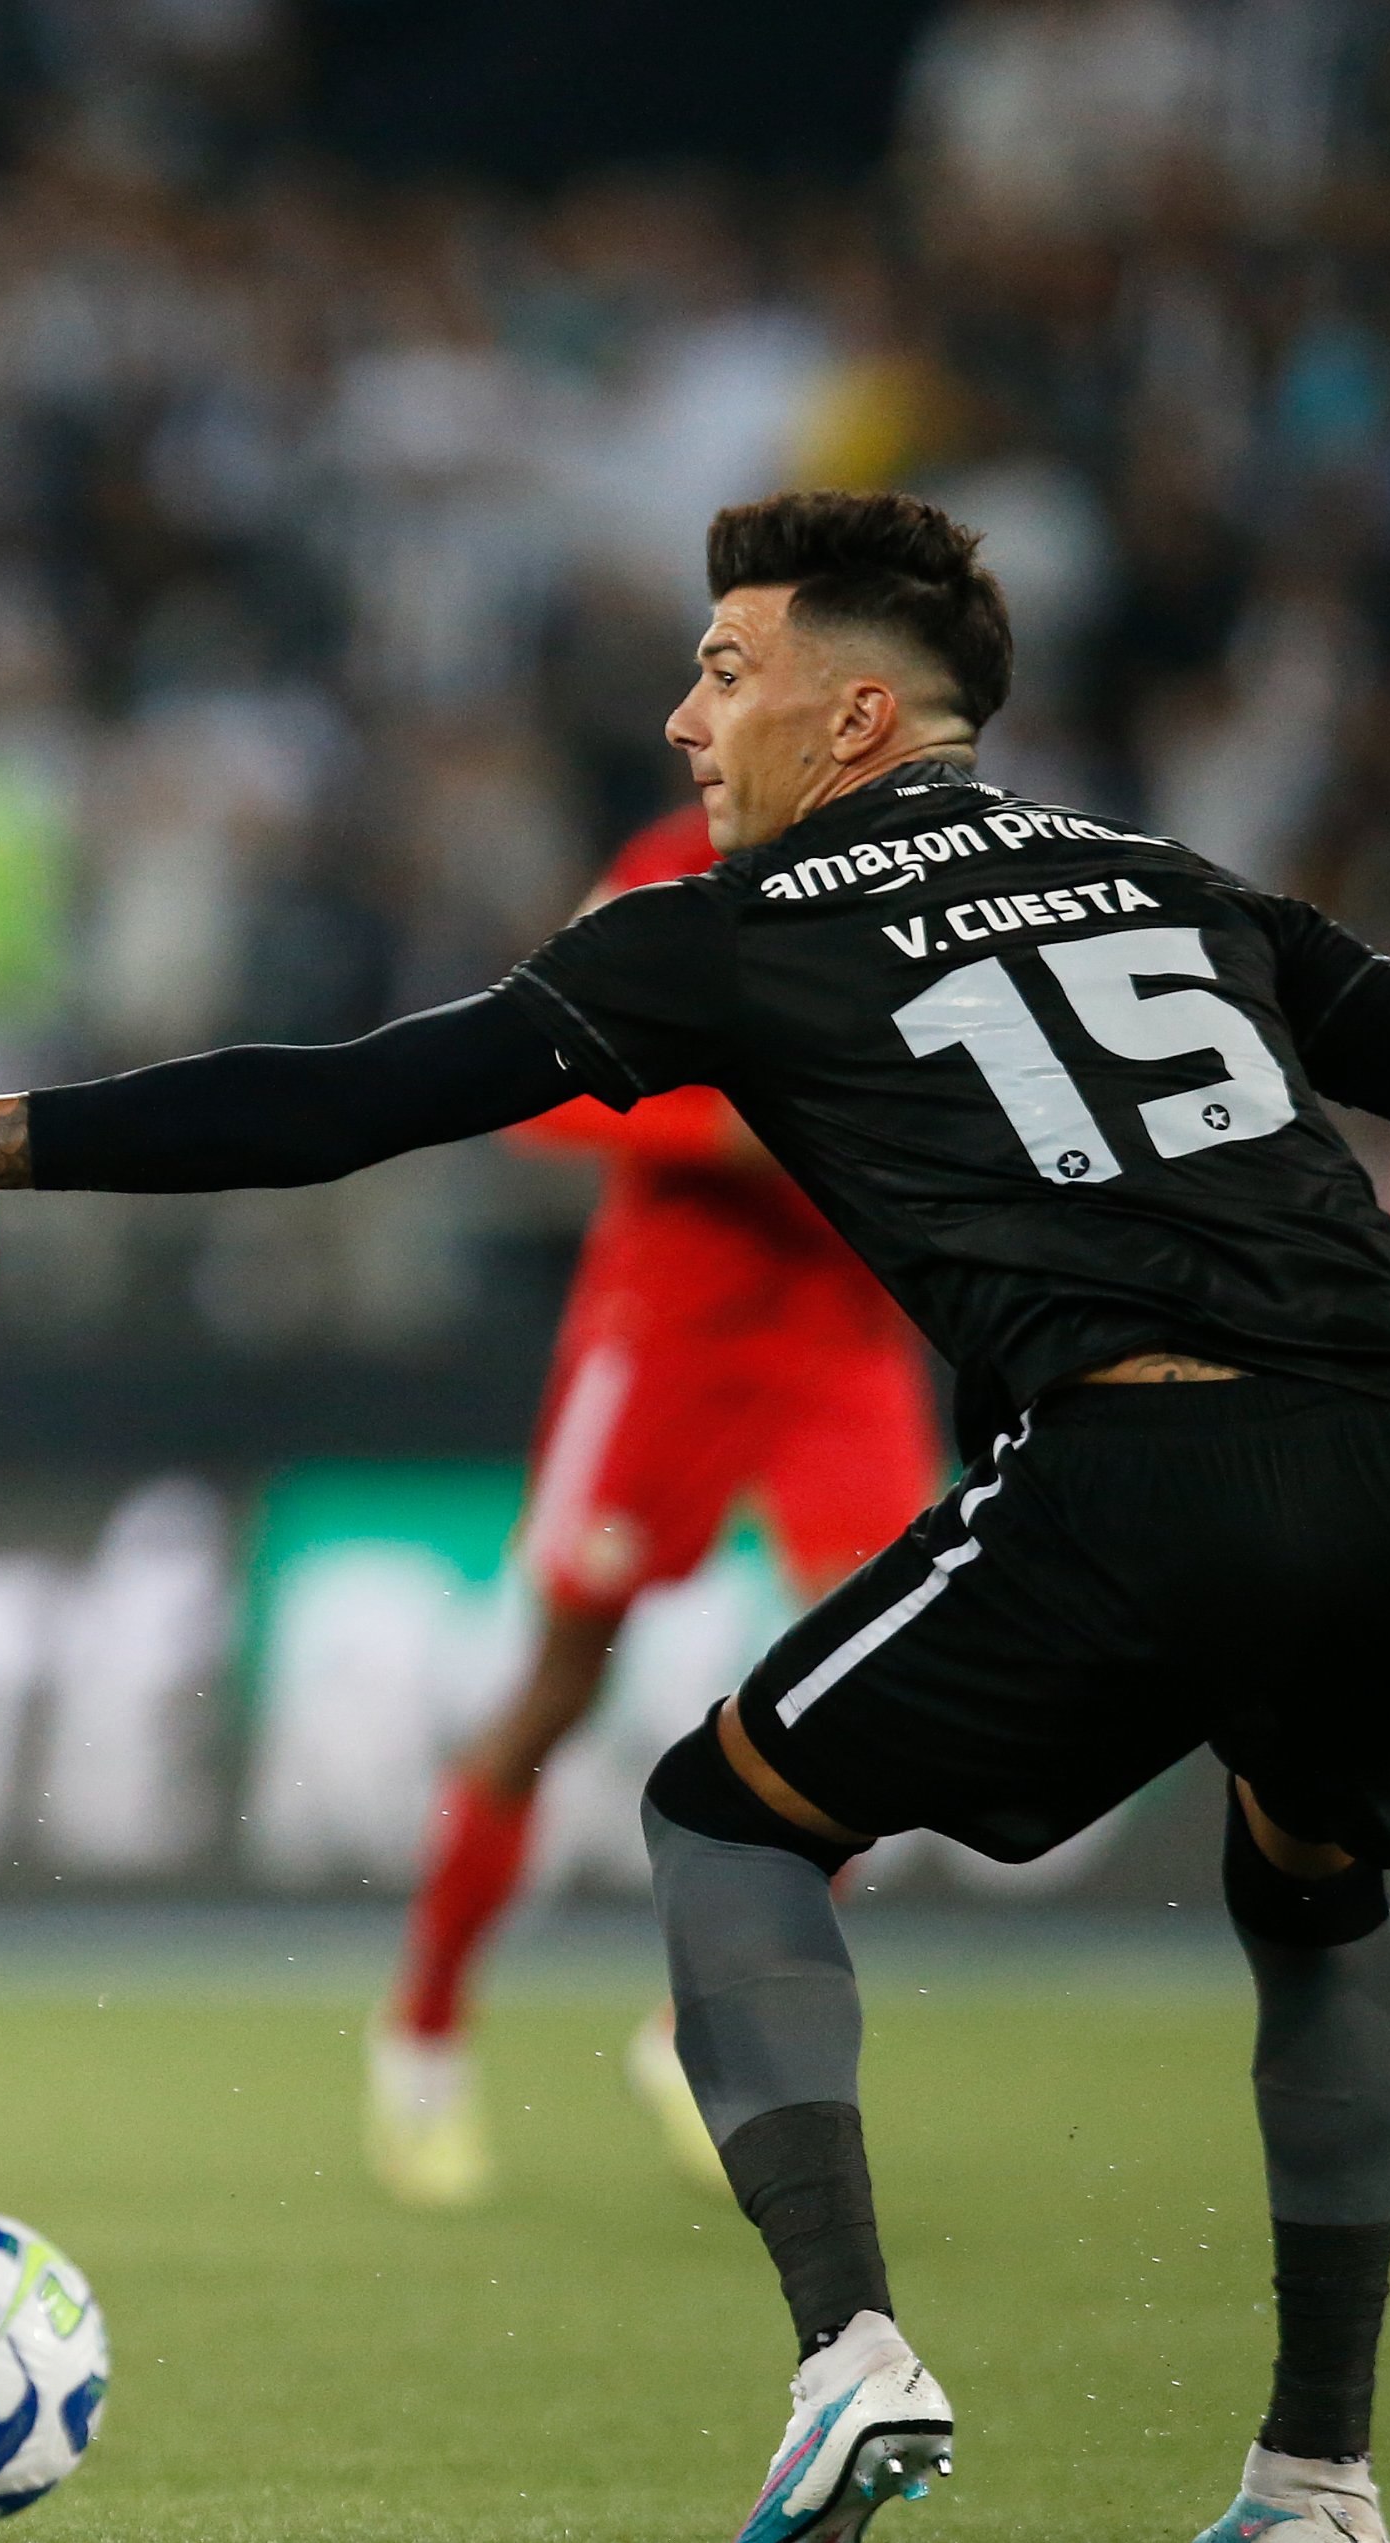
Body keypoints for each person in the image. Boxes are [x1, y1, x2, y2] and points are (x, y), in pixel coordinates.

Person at [0, 489, 1390, 2543]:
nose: (688, 720)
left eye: (722, 668)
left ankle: (846, 2353)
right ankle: (1316, 2480)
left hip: (1140, 1462)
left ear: (851, 715)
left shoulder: (733, 928)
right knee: (1314, 1894)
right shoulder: (1172, 879)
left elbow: (342, 1104)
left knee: (718, 1810)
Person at [372, 801, 941, 2209]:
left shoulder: (933, 872)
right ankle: (425, 2034)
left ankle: (710, 2024)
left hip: (840, 1334)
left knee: (910, 1683)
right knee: (559, 1682)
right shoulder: (675, 868)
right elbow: (540, 1085)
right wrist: (729, 1132)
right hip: (668, 1333)